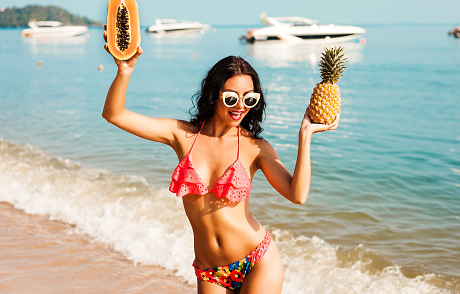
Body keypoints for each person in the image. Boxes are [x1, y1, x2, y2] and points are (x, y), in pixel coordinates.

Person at [102, 28, 339, 293]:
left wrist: (304, 135)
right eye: (231, 98)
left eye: (249, 99)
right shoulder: (182, 135)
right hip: (209, 270)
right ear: (214, 95)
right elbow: (115, 115)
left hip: (256, 260)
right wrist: (124, 71)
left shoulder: (255, 147)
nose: (240, 106)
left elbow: (298, 195)